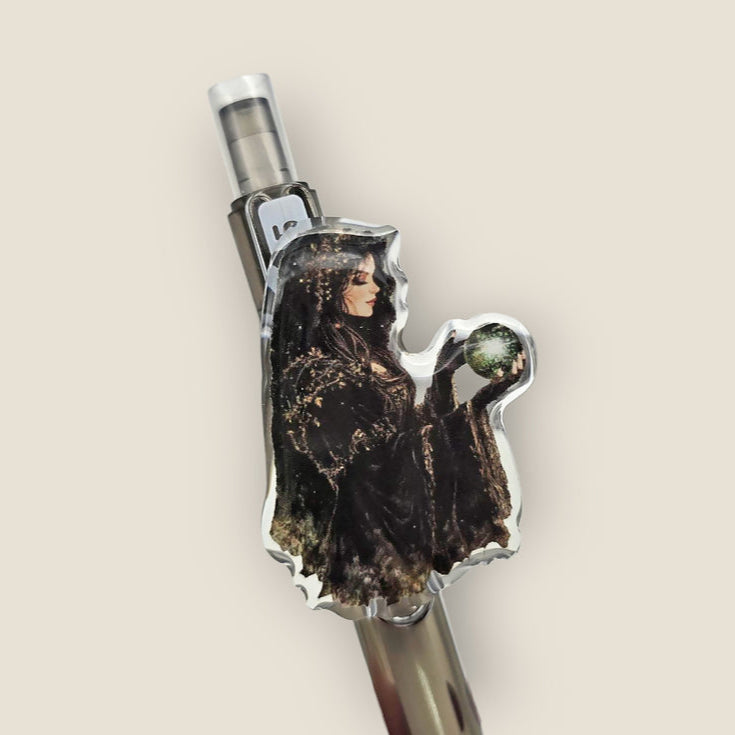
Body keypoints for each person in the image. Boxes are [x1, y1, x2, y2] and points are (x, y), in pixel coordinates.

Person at [268, 230, 525, 606]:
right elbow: (374, 464)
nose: (375, 287)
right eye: (360, 280)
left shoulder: (366, 350)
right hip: (370, 547)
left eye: (374, 276)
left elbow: (404, 432)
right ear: (324, 291)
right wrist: (479, 404)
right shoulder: (315, 376)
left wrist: (444, 375)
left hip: (403, 534)